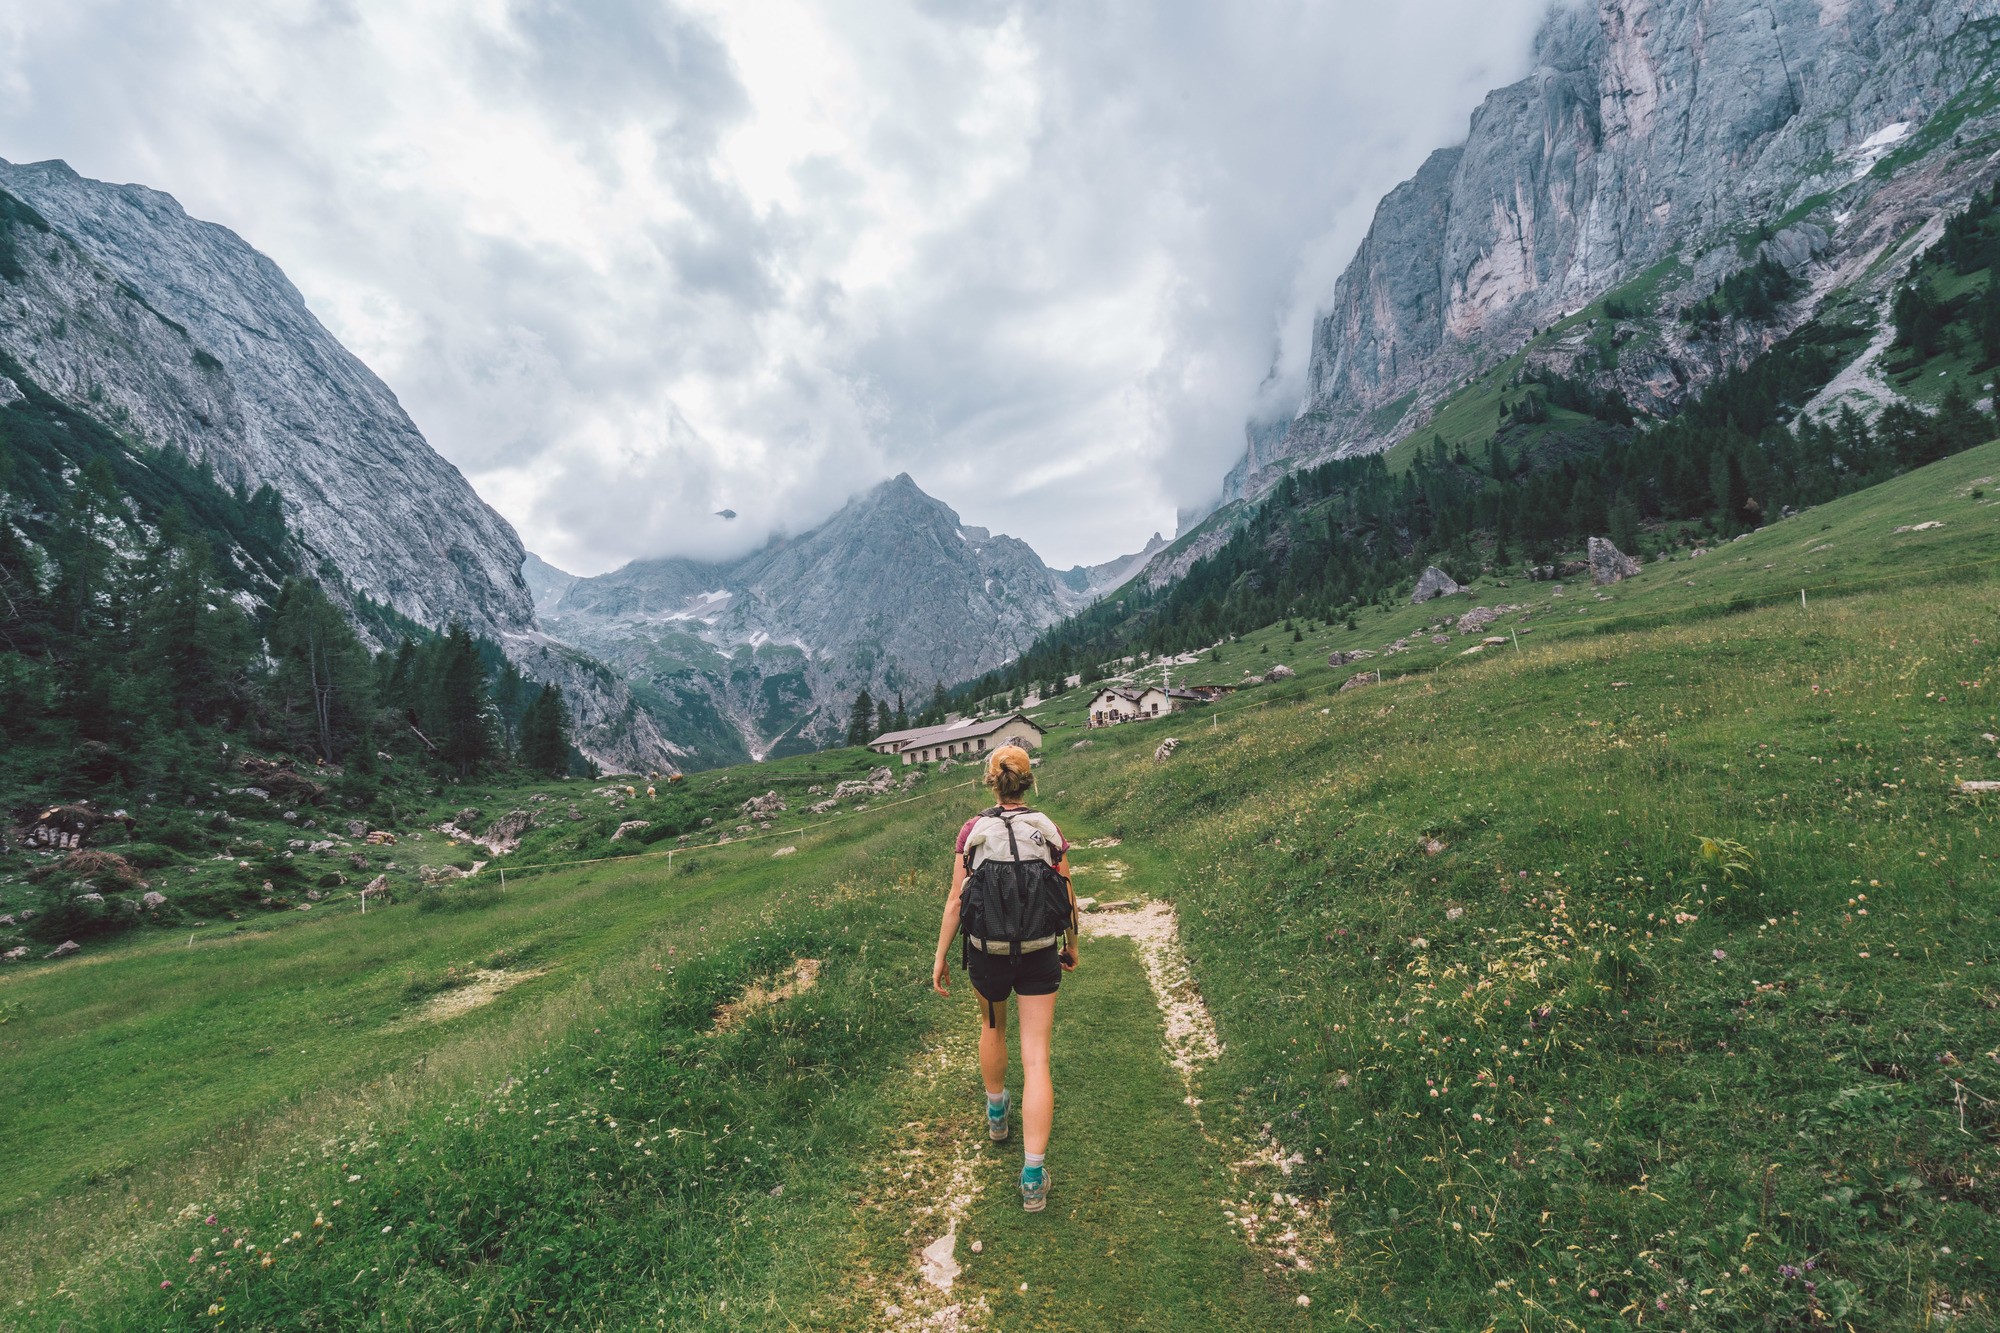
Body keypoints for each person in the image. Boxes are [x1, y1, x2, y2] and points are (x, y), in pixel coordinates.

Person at [931, 745, 1077, 1212]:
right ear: (1028, 780)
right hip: (1039, 954)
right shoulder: (1048, 828)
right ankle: (1033, 1176)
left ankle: (997, 1114)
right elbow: (1068, 895)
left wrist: (940, 957)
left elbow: (956, 901)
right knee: (1037, 1058)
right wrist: (1072, 945)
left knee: (992, 1027)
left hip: (986, 955)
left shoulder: (973, 831)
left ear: (990, 781)